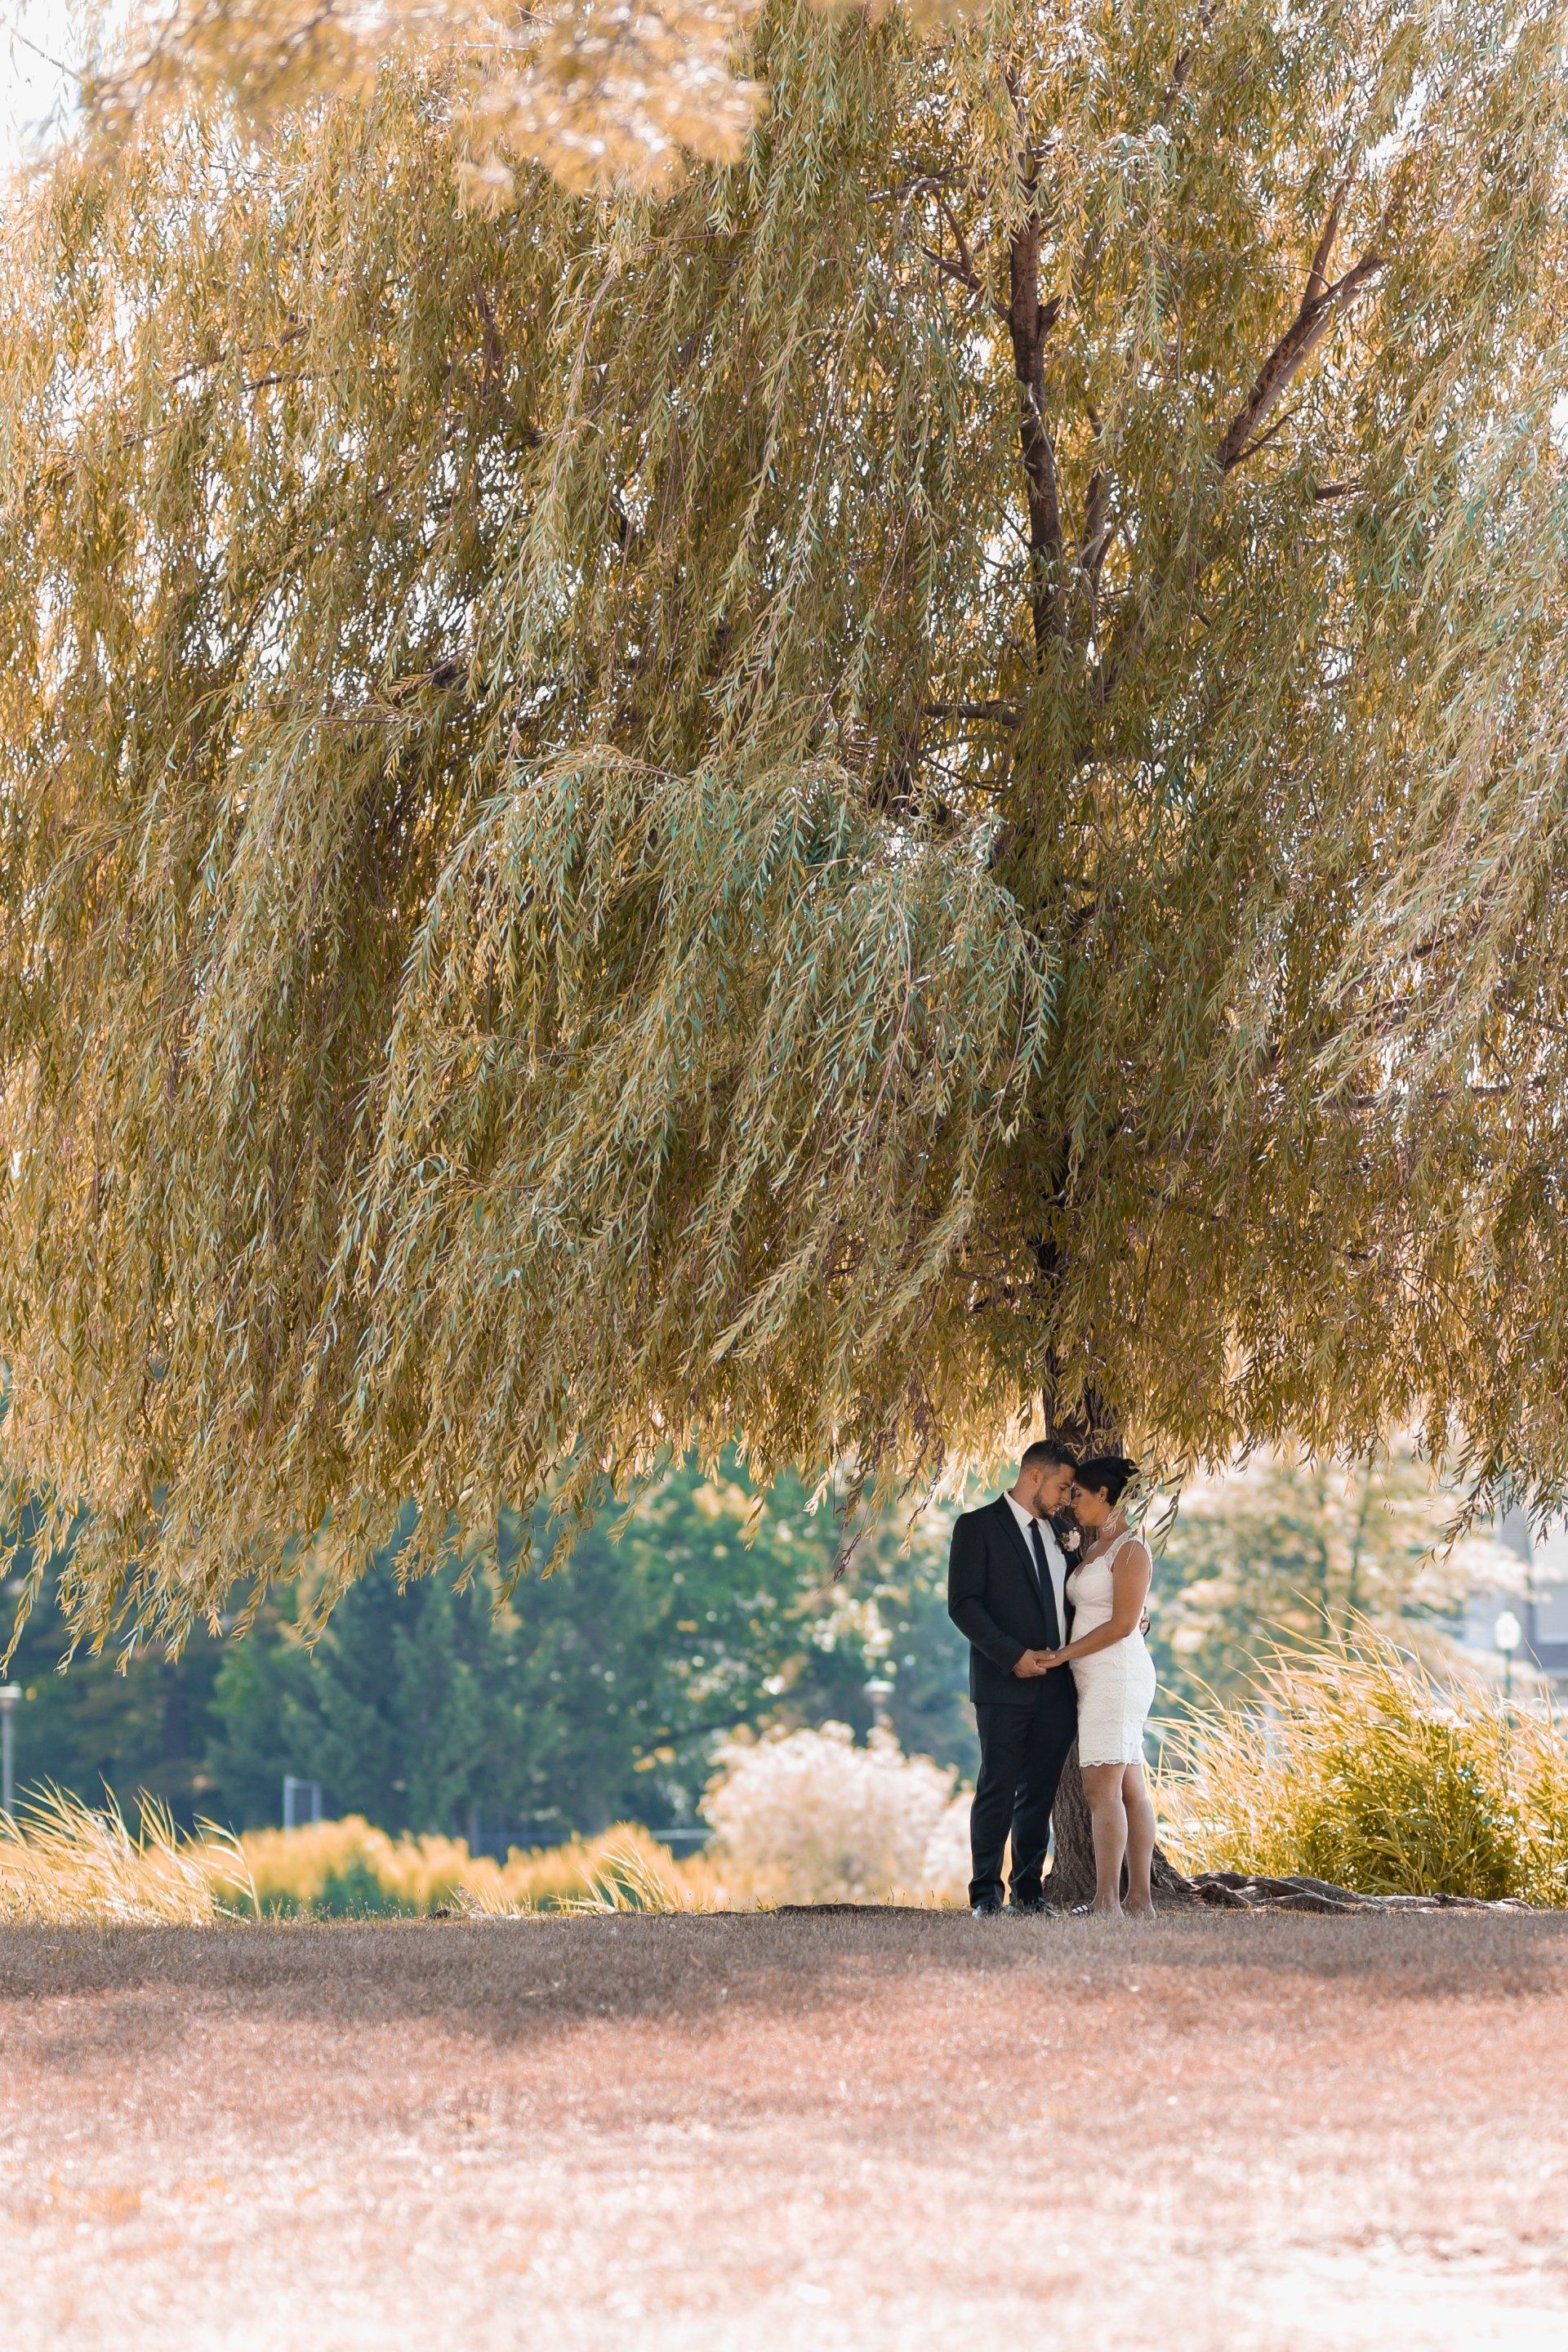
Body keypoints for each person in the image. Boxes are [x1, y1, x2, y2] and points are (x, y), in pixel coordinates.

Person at [947, 1440, 1080, 1914]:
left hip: (1059, 1686)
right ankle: (985, 1894)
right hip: (1004, 1683)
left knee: (1040, 1794)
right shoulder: (977, 1528)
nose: (1067, 1498)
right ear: (1033, 1477)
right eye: (1063, 1486)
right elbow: (963, 1605)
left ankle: (1030, 1891)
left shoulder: (1064, 1532)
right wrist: (1013, 1656)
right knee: (997, 1788)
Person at [1040, 1455, 1159, 1919]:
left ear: (1105, 1496)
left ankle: (1110, 1901)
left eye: (1080, 1495)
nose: (1072, 1504)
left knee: (1101, 1789)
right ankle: (1138, 1902)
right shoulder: (1096, 1548)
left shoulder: (1131, 1550)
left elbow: (1124, 1624)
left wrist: (1064, 1654)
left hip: (1116, 1675)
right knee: (1129, 1785)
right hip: (1095, 1678)